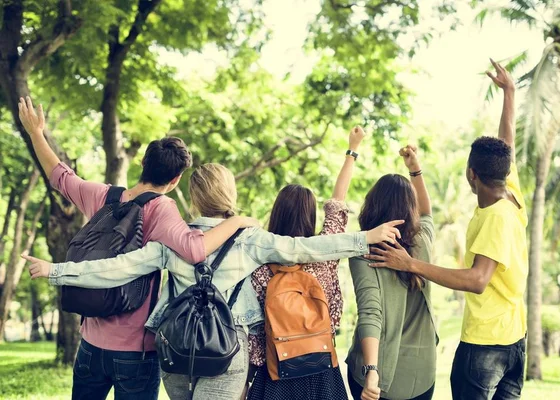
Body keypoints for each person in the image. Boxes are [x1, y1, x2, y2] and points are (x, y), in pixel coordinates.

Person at [24, 167, 403, 398]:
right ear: (230, 195)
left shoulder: (172, 241)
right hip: (226, 353)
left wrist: (55, 270)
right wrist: (365, 238)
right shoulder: (250, 239)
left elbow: (114, 268)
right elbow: (309, 247)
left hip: (174, 352)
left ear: (192, 199)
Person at [18, 97, 255, 400]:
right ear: (175, 180)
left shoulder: (103, 196)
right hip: (135, 351)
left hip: (90, 344)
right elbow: (195, 250)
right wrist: (237, 222)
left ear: (142, 162)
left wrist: (36, 132)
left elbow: (61, 177)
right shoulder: (163, 209)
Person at [366, 59, 527, 400]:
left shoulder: (497, 217)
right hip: (515, 340)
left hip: (486, 346)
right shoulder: (511, 192)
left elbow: (477, 280)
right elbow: (507, 144)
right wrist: (509, 94)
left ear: (472, 175)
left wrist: (409, 264)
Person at [246, 126, 367, 400]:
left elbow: (254, 333)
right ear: (310, 216)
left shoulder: (260, 263)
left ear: (276, 214)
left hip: (276, 373)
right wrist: (353, 149)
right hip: (322, 370)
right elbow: (338, 203)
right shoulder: (325, 255)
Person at [345, 144, 437, 400]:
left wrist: (372, 370)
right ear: (411, 208)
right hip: (421, 375)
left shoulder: (365, 251)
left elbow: (370, 313)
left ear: (372, 205)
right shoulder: (422, 241)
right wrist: (415, 170)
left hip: (377, 374)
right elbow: (427, 213)